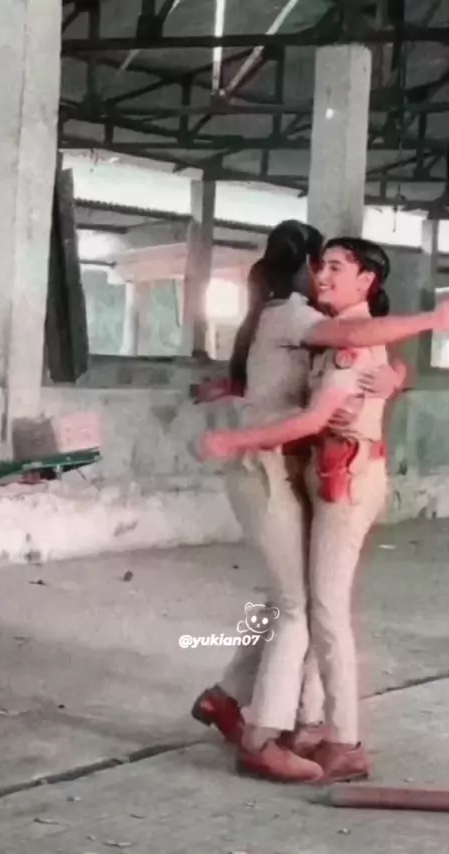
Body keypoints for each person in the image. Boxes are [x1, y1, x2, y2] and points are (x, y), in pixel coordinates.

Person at [191, 220, 443, 782]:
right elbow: (354, 347)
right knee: (299, 606)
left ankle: (307, 731)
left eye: (336, 267)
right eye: (321, 265)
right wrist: (414, 344)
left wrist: (398, 368)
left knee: (307, 608)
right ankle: (283, 725)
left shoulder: (304, 322)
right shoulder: (299, 319)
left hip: (328, 475)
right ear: (304, 269)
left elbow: (340, 374)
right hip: (283, 470)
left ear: (366, 280)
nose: (324, 276)